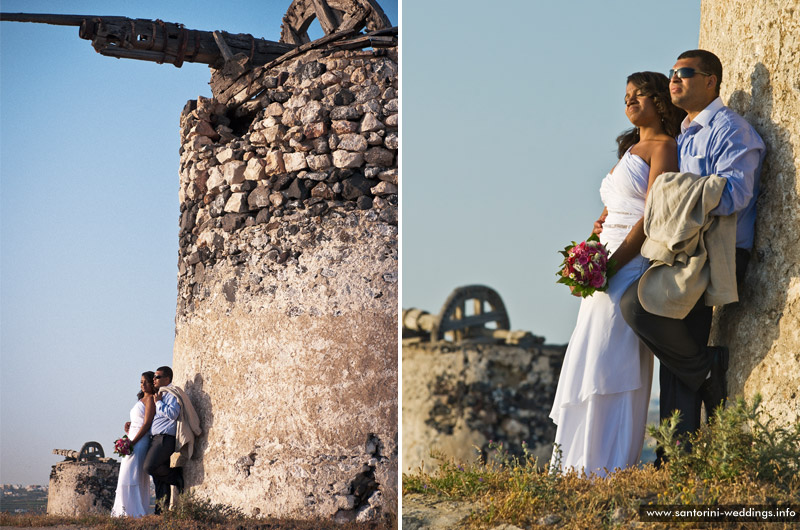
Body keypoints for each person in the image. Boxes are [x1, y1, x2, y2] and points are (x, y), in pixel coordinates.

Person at [620, 50, 765, 464]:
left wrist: (674, 192)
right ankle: (677, 454)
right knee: (677, 347)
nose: (674, 80)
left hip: (716, 251)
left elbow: (735, 193)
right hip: (685, 251)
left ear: (711, 81)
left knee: (641, 307)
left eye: (685, 73)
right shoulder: (683, 136)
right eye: (672, 74)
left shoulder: (732, 130)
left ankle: (703, 373)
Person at [549, 72, 684, 476]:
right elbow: (613, 207)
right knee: (590, 353)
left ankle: (605, 465)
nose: (629, 101)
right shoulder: (630, 148)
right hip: (604, 258)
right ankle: (574, 465)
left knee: (613, 357)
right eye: (626, 96)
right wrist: (592, 243)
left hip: (629, 262)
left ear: (659, 101)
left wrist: (612, 264)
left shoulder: (664, 147)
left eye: (638, 95)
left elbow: (652, 214)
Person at [111, 371, 155, 517]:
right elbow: (139, 419)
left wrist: (133, 442)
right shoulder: (141, 399)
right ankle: (123, 511)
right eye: (141, 382)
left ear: (152, 383)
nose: (142, 385)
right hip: (132, 438)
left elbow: (147, 423)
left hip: (139, 441)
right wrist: (129, 425)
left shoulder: (150, 400)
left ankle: (134, 511)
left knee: (132, 475)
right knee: (125, 475)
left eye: (145, 382)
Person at [143, 366, 184, 513]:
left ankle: (176, 476)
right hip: (156, 438)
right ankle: (161, 511)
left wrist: (159, 403)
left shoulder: (171, 393)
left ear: (167, 379)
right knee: (158, 478)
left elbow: (173, 413)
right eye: (154, 377)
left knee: (149, 467)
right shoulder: (160, 394)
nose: (154, 379)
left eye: (157, 377)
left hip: (165, 439)